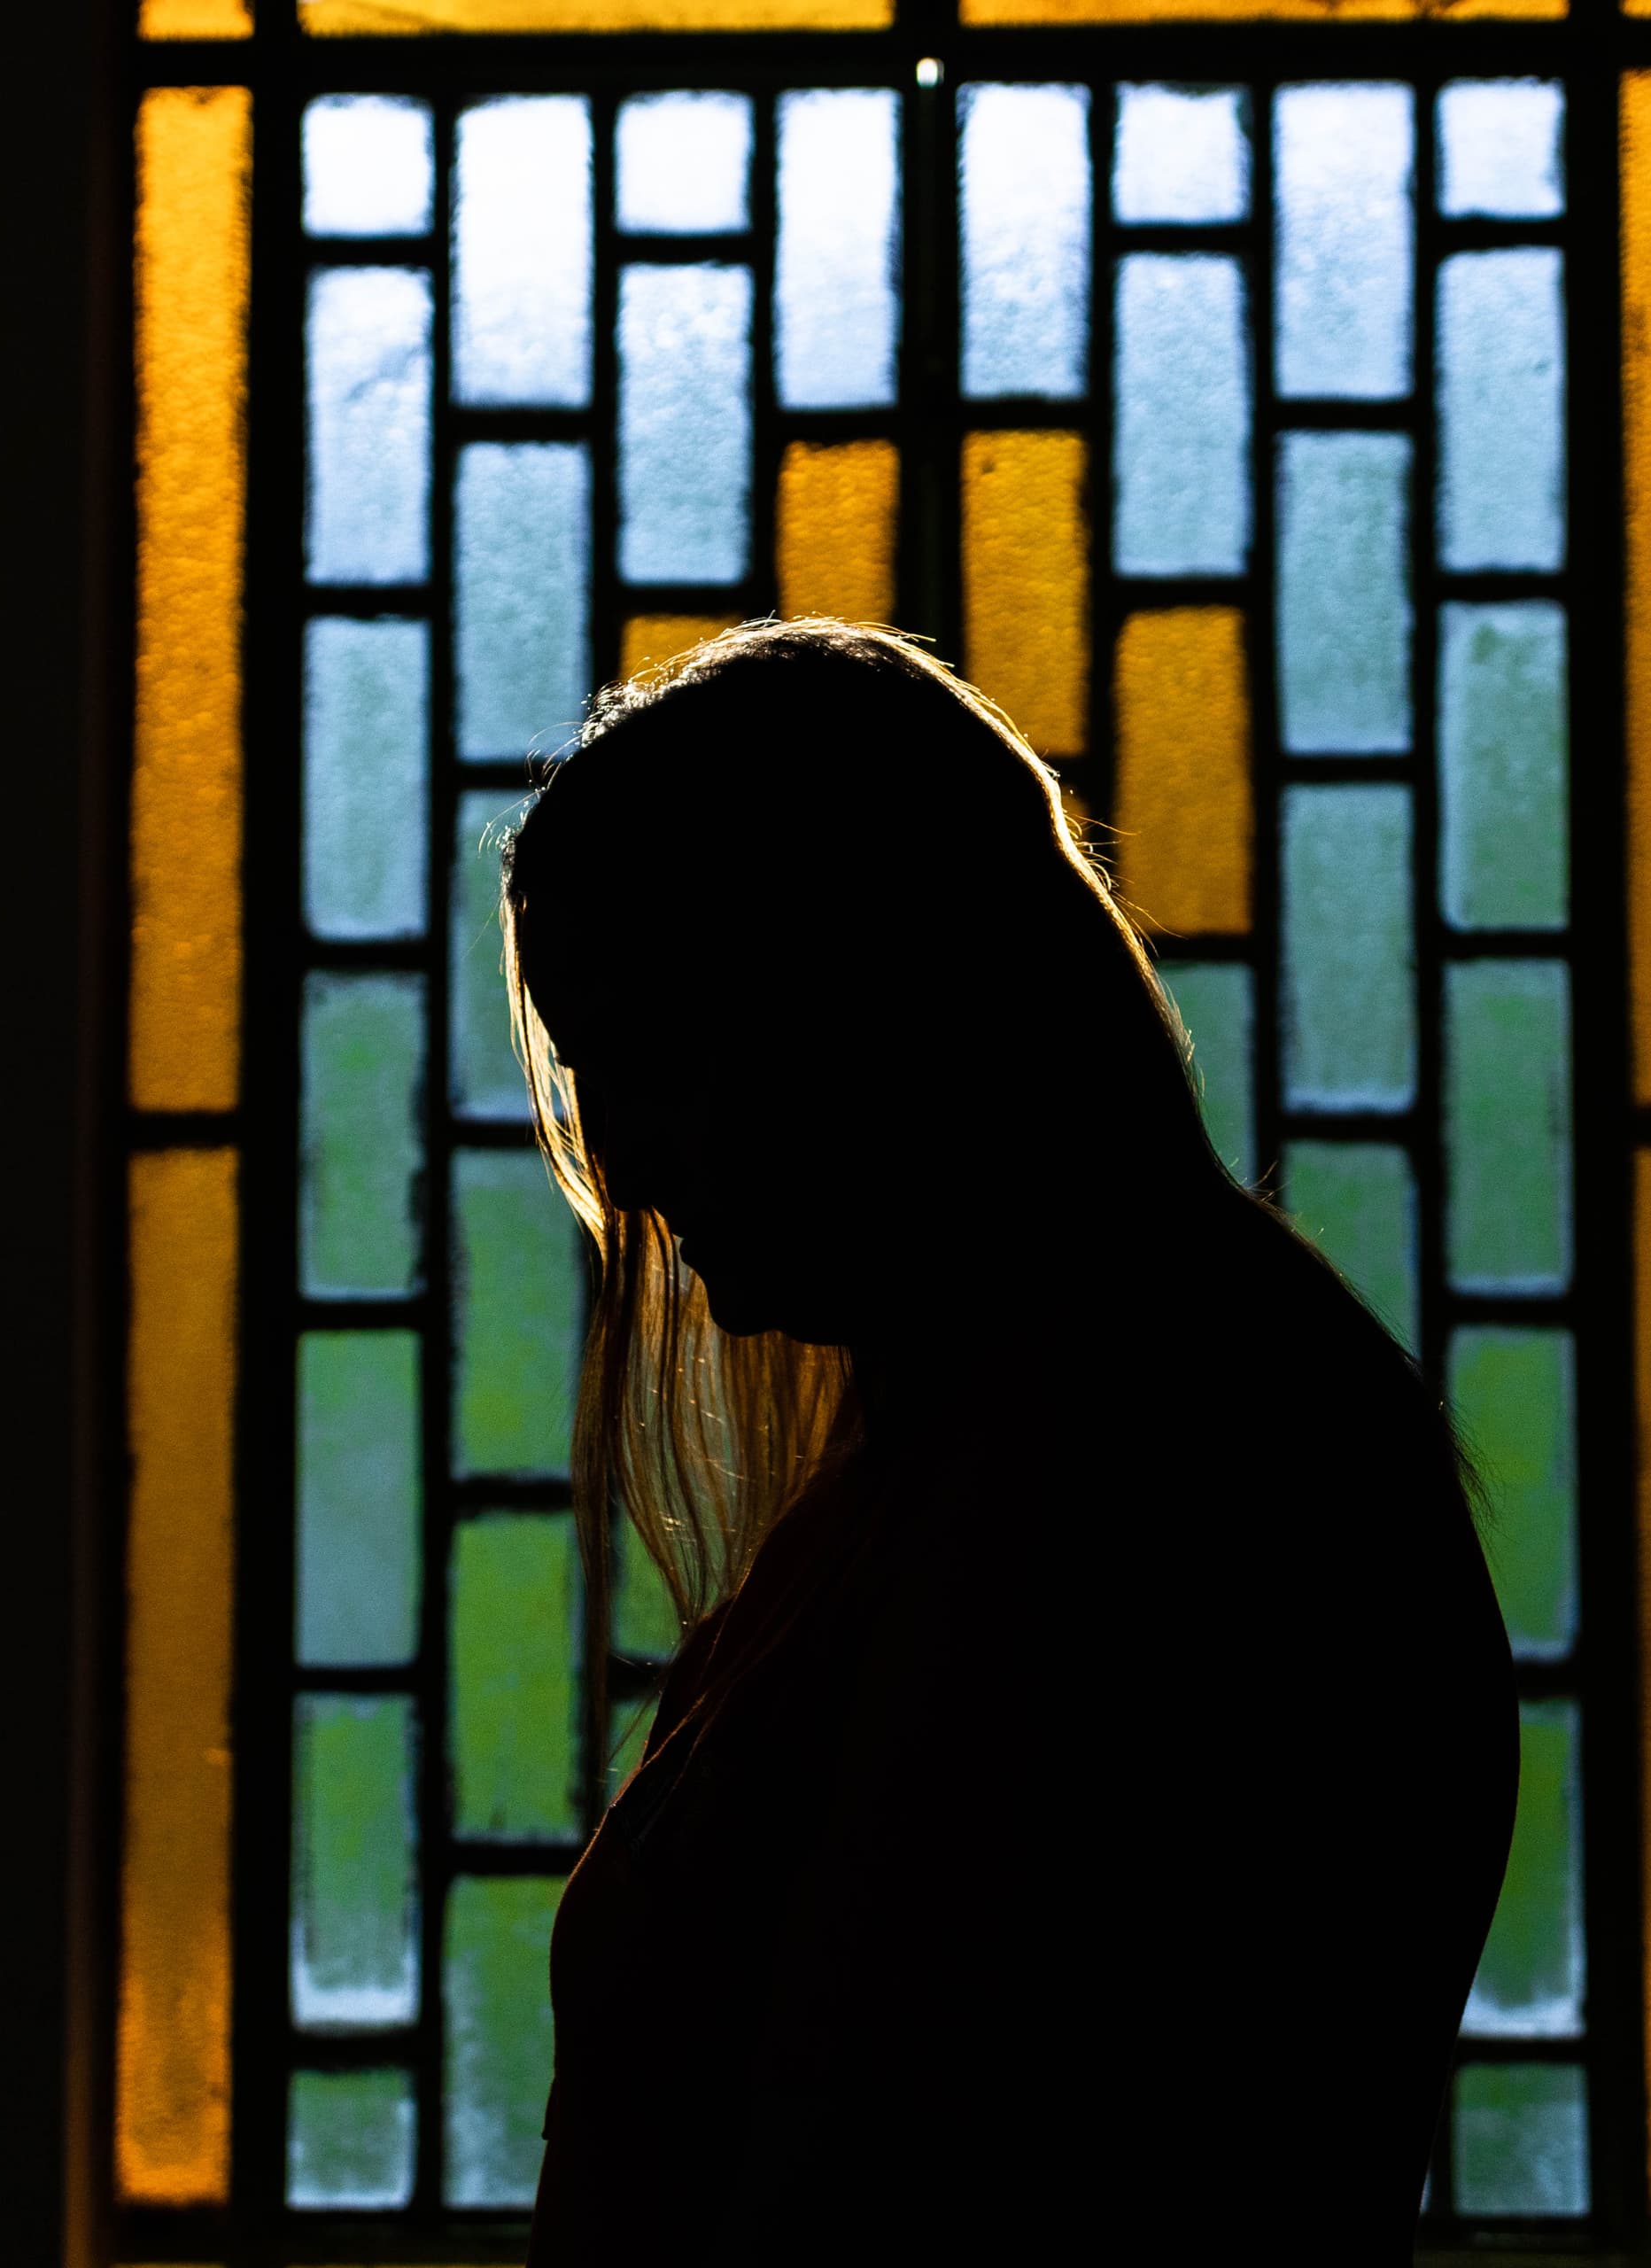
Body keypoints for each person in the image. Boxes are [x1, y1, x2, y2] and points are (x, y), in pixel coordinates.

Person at [502, 619, 1516, 2264]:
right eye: (584, 1063)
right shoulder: (1046, 1431)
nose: (609, 1149)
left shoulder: (1164, 1477)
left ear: (872, 1002)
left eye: (655, 1042)